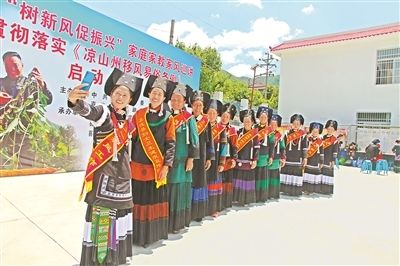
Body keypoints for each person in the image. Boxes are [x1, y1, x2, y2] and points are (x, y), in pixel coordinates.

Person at [67, 68, 142, 265]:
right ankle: (100, 260)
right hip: (104, 179)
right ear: (110, 94)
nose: (120, 97)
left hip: (124, 178)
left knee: (119, 220)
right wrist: (74, 101)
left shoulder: (128, 120)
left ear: (130, 99)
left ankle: (115, 257)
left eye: (125, 95)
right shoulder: (104, 112)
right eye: (117, 93)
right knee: (103, 219)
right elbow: (90, 112)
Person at [129, 75, 176, 247]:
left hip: (156, 169)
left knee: (151, 202)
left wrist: (166, 165)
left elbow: (171, 144)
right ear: (149, 94)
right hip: (136, 166)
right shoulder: (138, 115)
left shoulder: (168, 118)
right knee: (137, 201)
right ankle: (134, 235)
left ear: (164, 98)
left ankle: (150, 236)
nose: (156, 96)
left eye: (159, 94)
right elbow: (131, 140)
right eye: (153, 93)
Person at [0, 51, 53, 168]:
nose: (11, 69)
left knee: (25, 170)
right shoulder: (1, 83)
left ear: (22, 66)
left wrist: (42, 85)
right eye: (7, 66)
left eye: (15, 65)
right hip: (3, 135)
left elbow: (48, 100)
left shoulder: (31, 84)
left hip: (25, 136)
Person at [167, 83, 199, 233]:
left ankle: (177, 223)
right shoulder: (166, 116)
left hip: (182, 162)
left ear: (184, 101)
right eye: (173, 99)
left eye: (179, 100)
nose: (175, 102)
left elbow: (195, 140)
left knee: (178, 190)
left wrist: (191, 159)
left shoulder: (188, 119)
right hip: (167, 162)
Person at [190, 90, 214, 222]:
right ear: (192, 106)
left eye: (200, 105)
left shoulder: (206, 121)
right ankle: (188, 211)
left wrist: (210, 158)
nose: (197, 107)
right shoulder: (187, 119)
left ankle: (198, 213)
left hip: (202, 155)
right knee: (190, 182)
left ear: (203, 107)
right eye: (195, 105)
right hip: (189, 157)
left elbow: (210, 141)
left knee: (199, 181)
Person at [206, 99, 227, 217]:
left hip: (216, 160)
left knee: (214, 184)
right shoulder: (202, 126)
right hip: (204, 159)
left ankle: (214, 209)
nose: (211, 115)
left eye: (214, 113)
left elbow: (224, 147)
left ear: (217, 115)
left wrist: (222, 163)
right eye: (209, 112)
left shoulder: (221, 129)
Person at [233, 109, 259, 206]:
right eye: (245, 121)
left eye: (249, 121)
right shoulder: (238, 132)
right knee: (238, 180)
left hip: (249, 161)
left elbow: (257, 149)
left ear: (252, 122)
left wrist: (255, 160)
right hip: (239, 160)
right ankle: (236, 199)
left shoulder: (255, 134)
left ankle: (245, 200)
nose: (247, 123)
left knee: (246, 181)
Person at [280, 114, 308, 197]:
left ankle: (295, 191)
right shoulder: (287, 133)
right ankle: (285, 190)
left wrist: (305, 158)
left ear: (301, 125)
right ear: (291, 124)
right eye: (294, 123)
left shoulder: (303, 135)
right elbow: (283, 146)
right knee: (287, 173)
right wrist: (282, 157)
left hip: (297, 158)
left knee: (296, 175)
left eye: (298, 124)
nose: (296, 125)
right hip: (288, 157)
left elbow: (305, 148)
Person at [220, 103, 238, 209]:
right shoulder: (216, 127)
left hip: (228, 159)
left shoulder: (232, 131)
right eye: (223, 116)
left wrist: (234, 159)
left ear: (230, 118)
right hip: (217, 159)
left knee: (226, 181)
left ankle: (225, 203)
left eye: (227, 116)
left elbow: (235, 146)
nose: (224, 118)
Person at [254, 105, 273, 202]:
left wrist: (271, 157)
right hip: (254, 156)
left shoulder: (269, 130)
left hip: (264, 156)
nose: (263, 118)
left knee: (263, 176)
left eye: (265, 117)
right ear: (258, 117)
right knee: (255, 176)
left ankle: (262, 196)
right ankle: (254, 196)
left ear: (267, 118)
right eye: (261, 116)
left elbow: (272, 144)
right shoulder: (254, 128)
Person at [267, 114, 285, 199]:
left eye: (275, 124)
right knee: (267, 176)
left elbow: (282, 148)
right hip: (267, 158)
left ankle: (273, 194)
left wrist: (283, 158)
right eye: (271, 124)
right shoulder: (266, 133)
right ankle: (266, 194)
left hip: (276, 158)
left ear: (277, 125)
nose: (273, 126)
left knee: (274, 176)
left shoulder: (280, 135)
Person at [303, 122, 324, 194]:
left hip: (316, 159)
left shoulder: (320, 141)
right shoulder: (308, 139)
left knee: (313, 175)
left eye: (316, 131)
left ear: (319, 132)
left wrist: (321, 161)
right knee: (307, 174)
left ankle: (313, 189)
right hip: (309, 158)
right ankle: (306, 189)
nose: (315, 133)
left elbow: (322, 152)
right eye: (314, 131)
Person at [321, 120, 339, 195]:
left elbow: (335, 151)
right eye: (328, 129)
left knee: (327, 174)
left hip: (329, 158)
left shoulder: (334, 140)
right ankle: (320, 188)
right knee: (321, 173)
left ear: (334, 130)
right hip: (322, 158)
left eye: (332, 129)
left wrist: (333, 160)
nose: (330, 131)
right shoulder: (322, 138)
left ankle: (327, 190)